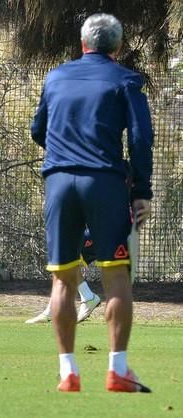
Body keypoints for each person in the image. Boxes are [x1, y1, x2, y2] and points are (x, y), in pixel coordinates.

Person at [31, 14, 153, 392]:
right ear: (117, 47)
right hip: (105, 182)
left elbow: (38, 131)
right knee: (116, 274)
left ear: (82, 44)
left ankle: (68, 372)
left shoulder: (55, 77)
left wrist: (67, 153)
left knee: (63, 277)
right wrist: (142, 189)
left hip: (59, 182)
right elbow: (140, 139)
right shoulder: (127, 80)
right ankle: (118, 371)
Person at [26, 229, 101, 324]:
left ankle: (87, 297)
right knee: (64, 258)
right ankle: (52, 309)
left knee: (65, 253)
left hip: (109, 226)